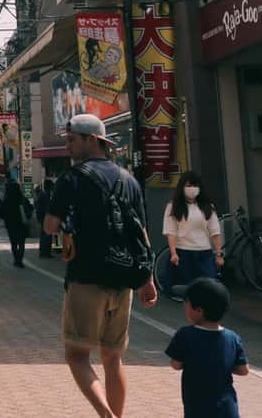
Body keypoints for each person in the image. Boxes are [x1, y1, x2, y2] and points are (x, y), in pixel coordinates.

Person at [45, 114, 157, 418]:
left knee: (77, 355)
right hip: (124, 278)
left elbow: (49, 225)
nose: (67, 146)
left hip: (86, 277)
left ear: (91, 140)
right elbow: (142, 233)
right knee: (113, 357)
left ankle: (106, 415)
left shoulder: (72, 178)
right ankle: (116, 416)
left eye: (71, 140)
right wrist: (148, 279)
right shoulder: (129, 180)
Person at [165, 277, 248, 418]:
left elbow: (176, 364)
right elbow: (243, 370)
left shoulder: (185, 335)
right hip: (228, 409)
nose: (184, 307)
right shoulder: (233, 338)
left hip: (197, 409)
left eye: (186, 303)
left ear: (198, 310)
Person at [163, 171, 223, 289]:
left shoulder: (207, 207)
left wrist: (219, 254)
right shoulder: (173, 206)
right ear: (182, 187)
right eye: (189, 186)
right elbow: (171, 231)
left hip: (205, 253)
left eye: (195, 186)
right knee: (189, 290)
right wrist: (173, 253)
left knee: (209, 287)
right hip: (183, 253)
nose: (192, 189)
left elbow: (215, 232)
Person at [1, 180, 31, 268]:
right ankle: (20, 260)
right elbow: (29, 209)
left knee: (13, 243)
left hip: (11, 224)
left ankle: (16, 259)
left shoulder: (6, 200)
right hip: (21, 223)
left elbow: (1, 212)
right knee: (21, 242)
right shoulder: (22, 199)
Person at [35, 178, 56, 258]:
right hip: (46, 217)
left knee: (44, 234)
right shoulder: (46, 195)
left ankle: (43, 250)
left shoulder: (43, 194)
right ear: (49, 186)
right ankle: (45, 252)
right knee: (47, 235)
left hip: (42, 216)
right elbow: (47, 208)